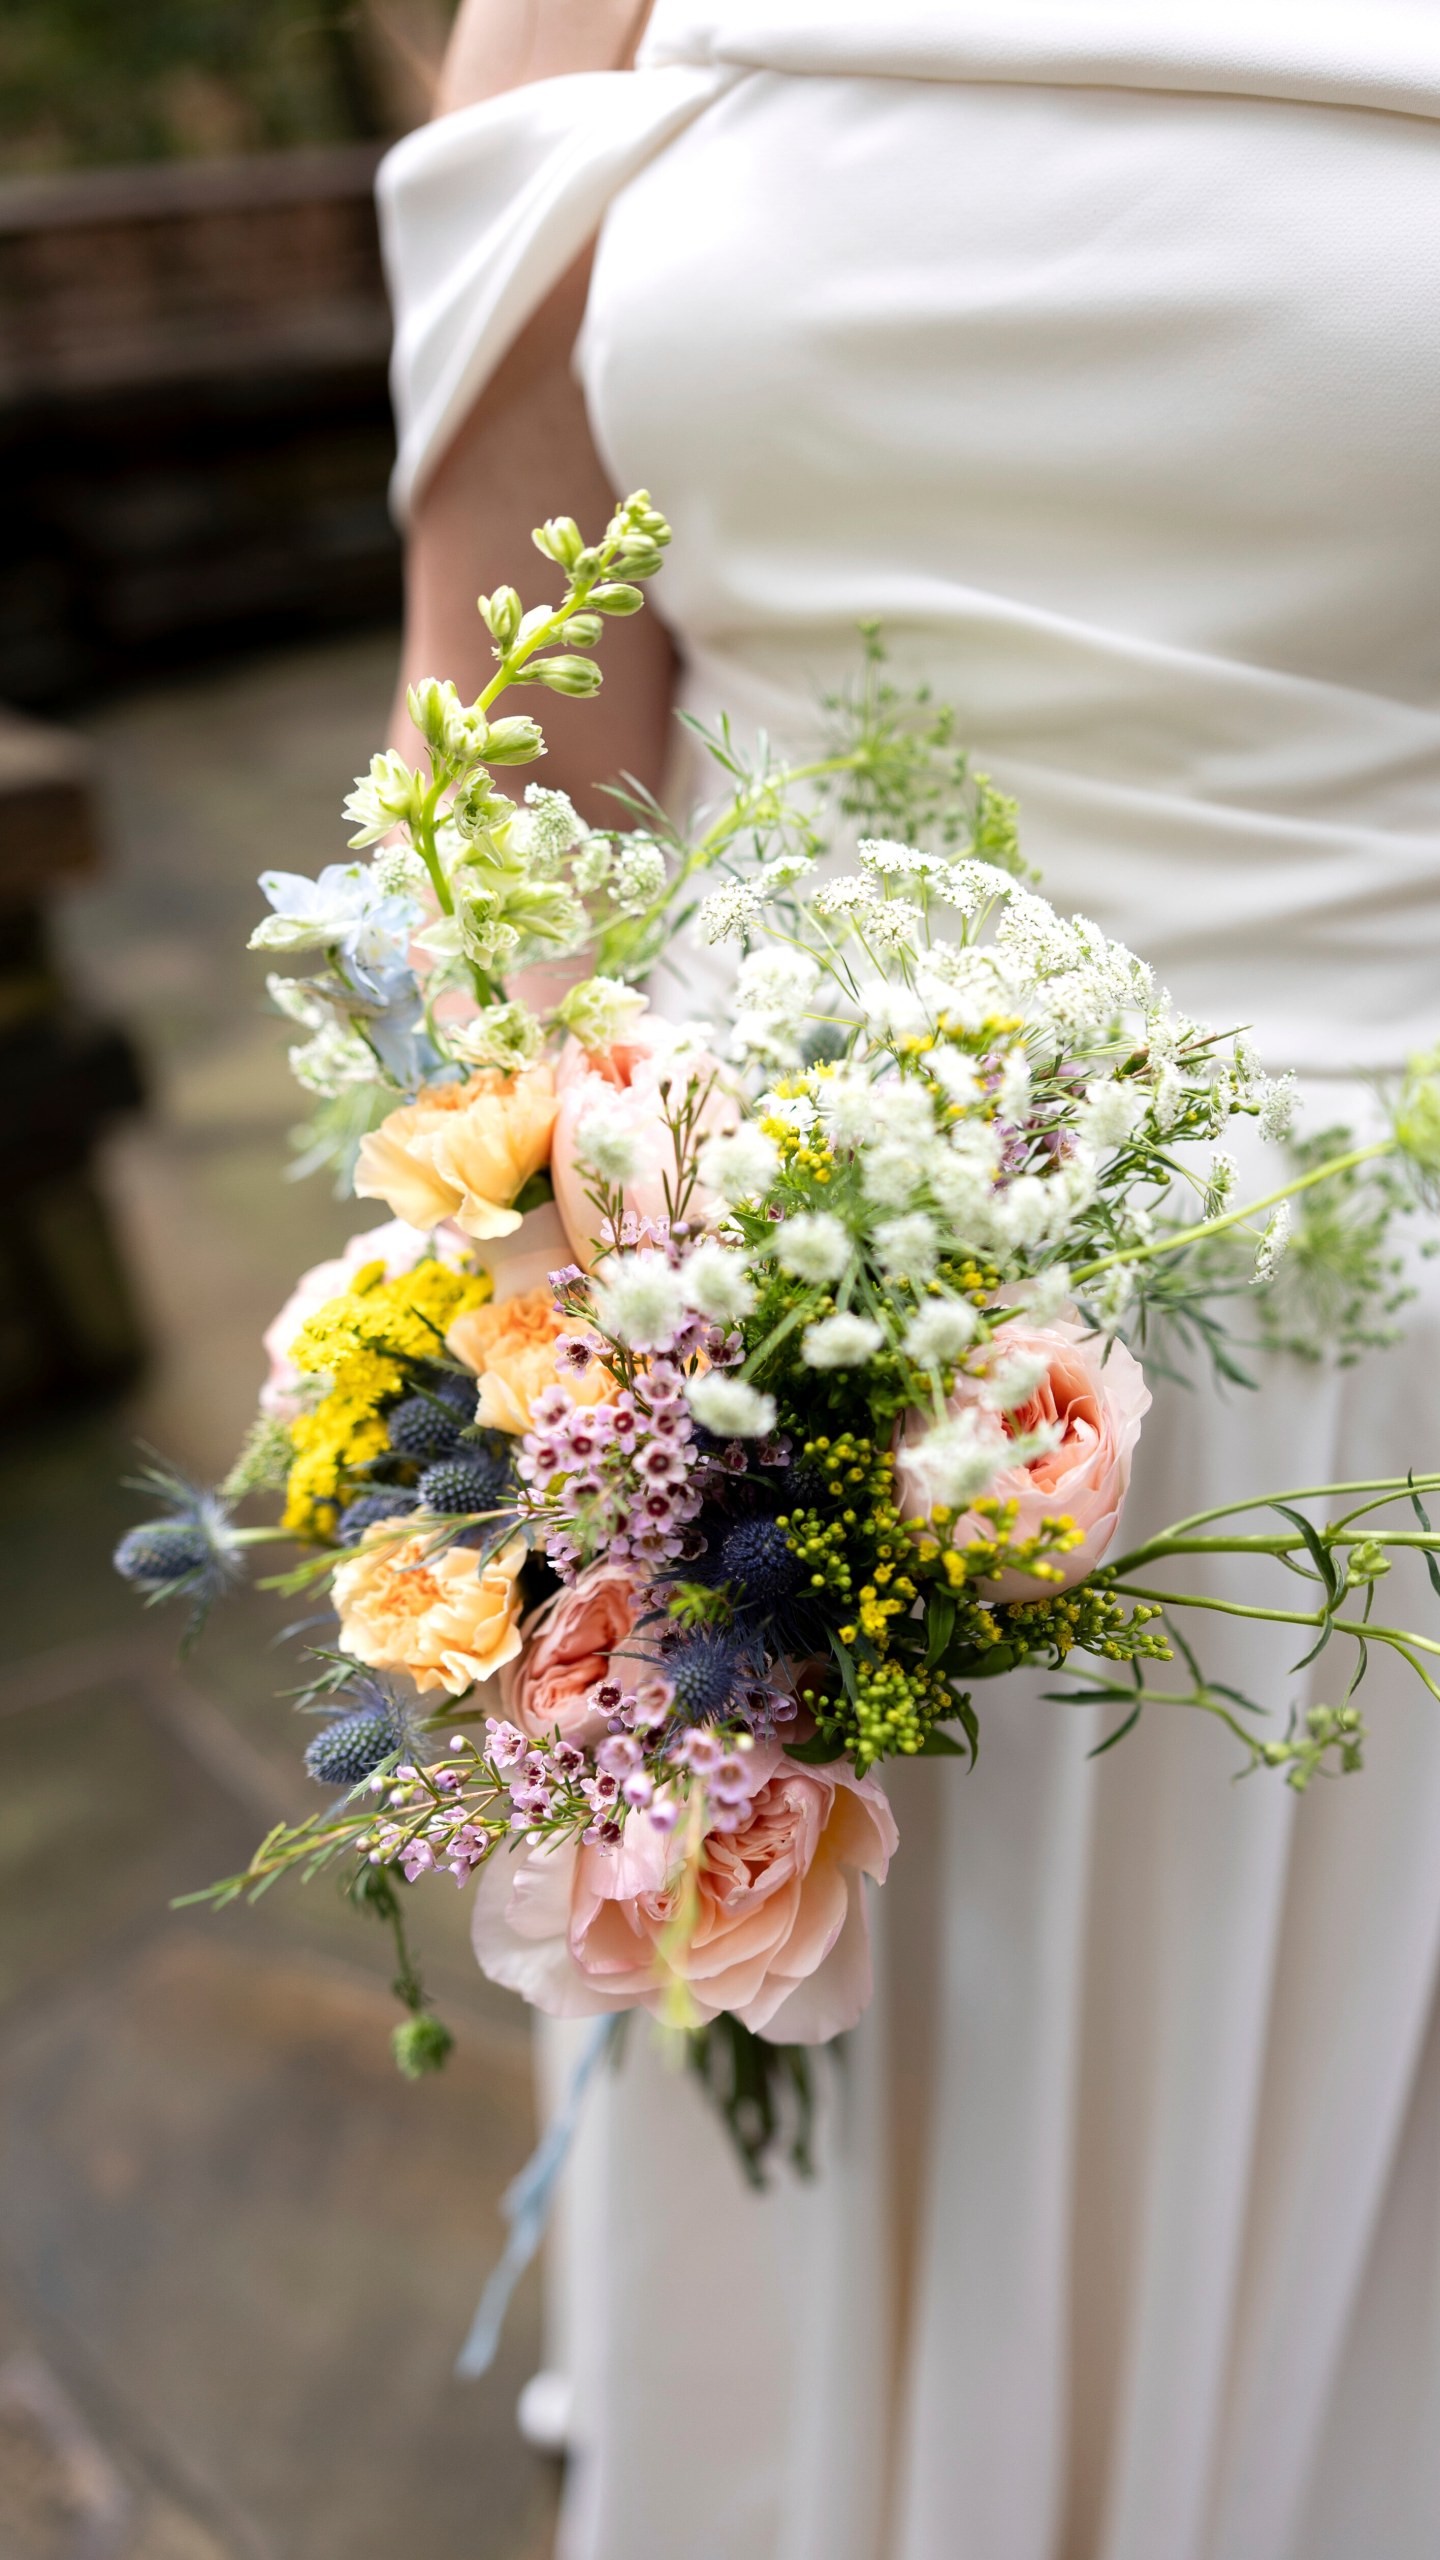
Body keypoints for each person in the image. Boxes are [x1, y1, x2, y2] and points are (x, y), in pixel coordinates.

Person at [378, 8, 1440, 2555]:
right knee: (827, 2123)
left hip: (1369, 1377)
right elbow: (503, 726)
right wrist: (574, 1329)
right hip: (728, 1358)